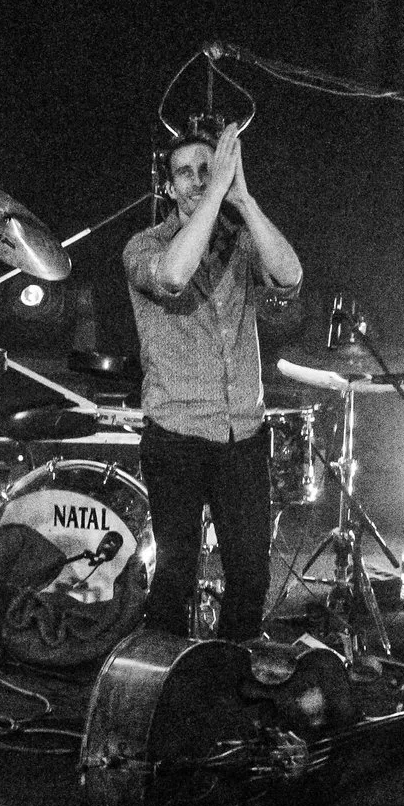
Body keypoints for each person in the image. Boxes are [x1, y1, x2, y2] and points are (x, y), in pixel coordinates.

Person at [123, 122, 304, 641]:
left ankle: (228, 673)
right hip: (176, 436)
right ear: (168, 186)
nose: (200, 180)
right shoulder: (144, 246)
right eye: (187, 172)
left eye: (209, 169)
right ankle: (167, 676)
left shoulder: (241, 241)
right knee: (174, 579)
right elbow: (173, 276)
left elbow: (290, 276)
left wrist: (243, 199)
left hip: (241, 434)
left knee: (251, 578)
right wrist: (215, 194)